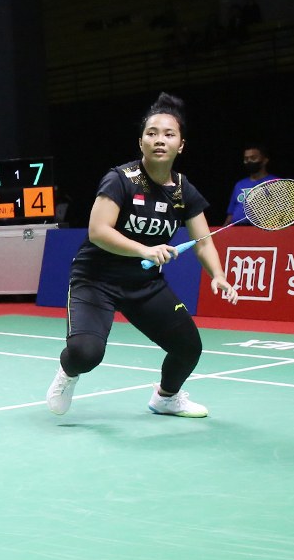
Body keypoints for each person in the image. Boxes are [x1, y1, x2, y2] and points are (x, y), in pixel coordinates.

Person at [46, 93, 239, 420]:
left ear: (181, 145)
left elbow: (203, 242)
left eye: (169, 134)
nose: (160, 140)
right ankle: (68, 373)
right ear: (141, 142)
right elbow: (98, 231)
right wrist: (144, 250)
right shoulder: (121, 179)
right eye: (152, 133)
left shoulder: (184, 190)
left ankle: (166, 398)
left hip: (143, 283)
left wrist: (218, 275)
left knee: (188, 347)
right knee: (86, 352)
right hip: (96, 279)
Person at [224, 144, 277, 226]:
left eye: (253, 158)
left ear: (265, 160)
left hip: (262, 228)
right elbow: (231, 215)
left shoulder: (275, 182)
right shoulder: (239, 184)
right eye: (246, 159)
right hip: (237, 229)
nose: (249, 161)